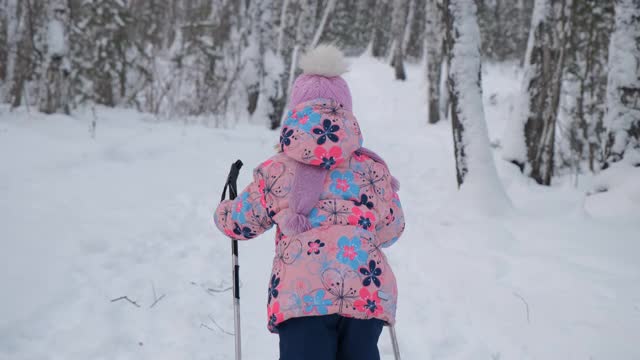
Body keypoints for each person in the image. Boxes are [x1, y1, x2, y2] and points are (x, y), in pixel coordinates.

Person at [213, 44, 405, 360]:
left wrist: (225, 210)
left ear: (297, 113)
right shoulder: (372, 169)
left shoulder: (277, 170)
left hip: (302, 297)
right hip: (366, 294)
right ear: (346, 111)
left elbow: (240, 224)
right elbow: (392, 230)